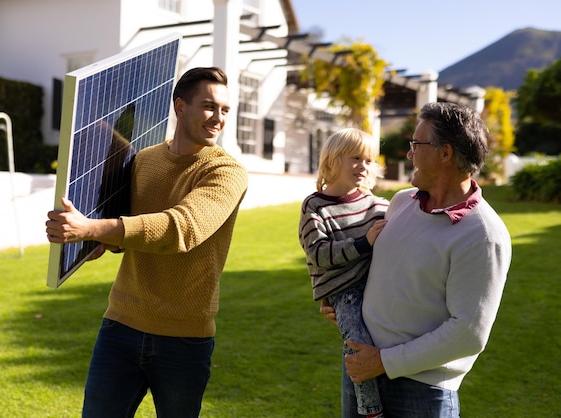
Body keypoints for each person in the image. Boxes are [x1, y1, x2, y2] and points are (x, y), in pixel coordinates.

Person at [46, 66, 249, 418]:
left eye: (225, 110)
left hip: (184, 339)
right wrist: (97, 243)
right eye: (209, 106)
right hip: (120, 327)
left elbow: (180, 229)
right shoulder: (144, 160)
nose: (218, 118)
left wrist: (93, 229)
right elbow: (130, 229)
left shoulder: (225, 172)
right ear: (180, 106)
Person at [326, 102, 512, 417]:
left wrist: (384, 362)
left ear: (445, 153)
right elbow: (385, 271)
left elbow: (469, 333)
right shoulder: (401, 202)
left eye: (416, 144)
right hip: (361, 367)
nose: (409, 153)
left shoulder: (483, 234)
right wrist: (341, 300)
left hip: (422, 390)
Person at [299, 127, 389, 418]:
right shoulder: (315, 206)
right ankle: (370, 409)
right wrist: (364, 243)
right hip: (344, 294)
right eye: (355, 158)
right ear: (332, 160)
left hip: (376, 288)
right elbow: (319, 254)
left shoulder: (377, 205)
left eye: (368, 160)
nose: (363, 166)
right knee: (358, 345)